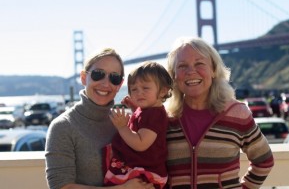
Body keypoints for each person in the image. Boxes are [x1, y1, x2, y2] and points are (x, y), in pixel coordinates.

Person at [165, 37, 274, 189]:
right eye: (182, 66)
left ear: (214, 70)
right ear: (174, 76)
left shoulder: (237, 114)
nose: (191, 71)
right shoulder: (165, 119)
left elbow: (264, 161)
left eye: (199, 63)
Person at [45, 48, 155, 189]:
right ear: (84, 77)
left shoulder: (125, 122)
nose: (105, 83)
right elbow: (61, 186)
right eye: (98, 74)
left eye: (114, 78)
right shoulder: (63, 127)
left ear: (119, 85)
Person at [104, 61, 173, 189]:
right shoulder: (148, 110)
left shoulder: (155, 115)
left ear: (163, 91)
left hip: (144, 173)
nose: (138, 93)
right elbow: (141, 123)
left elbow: (141, 143)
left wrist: (122, 127)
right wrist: (135, 108)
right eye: (134, 89)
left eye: (145, 88)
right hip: (141, 167)